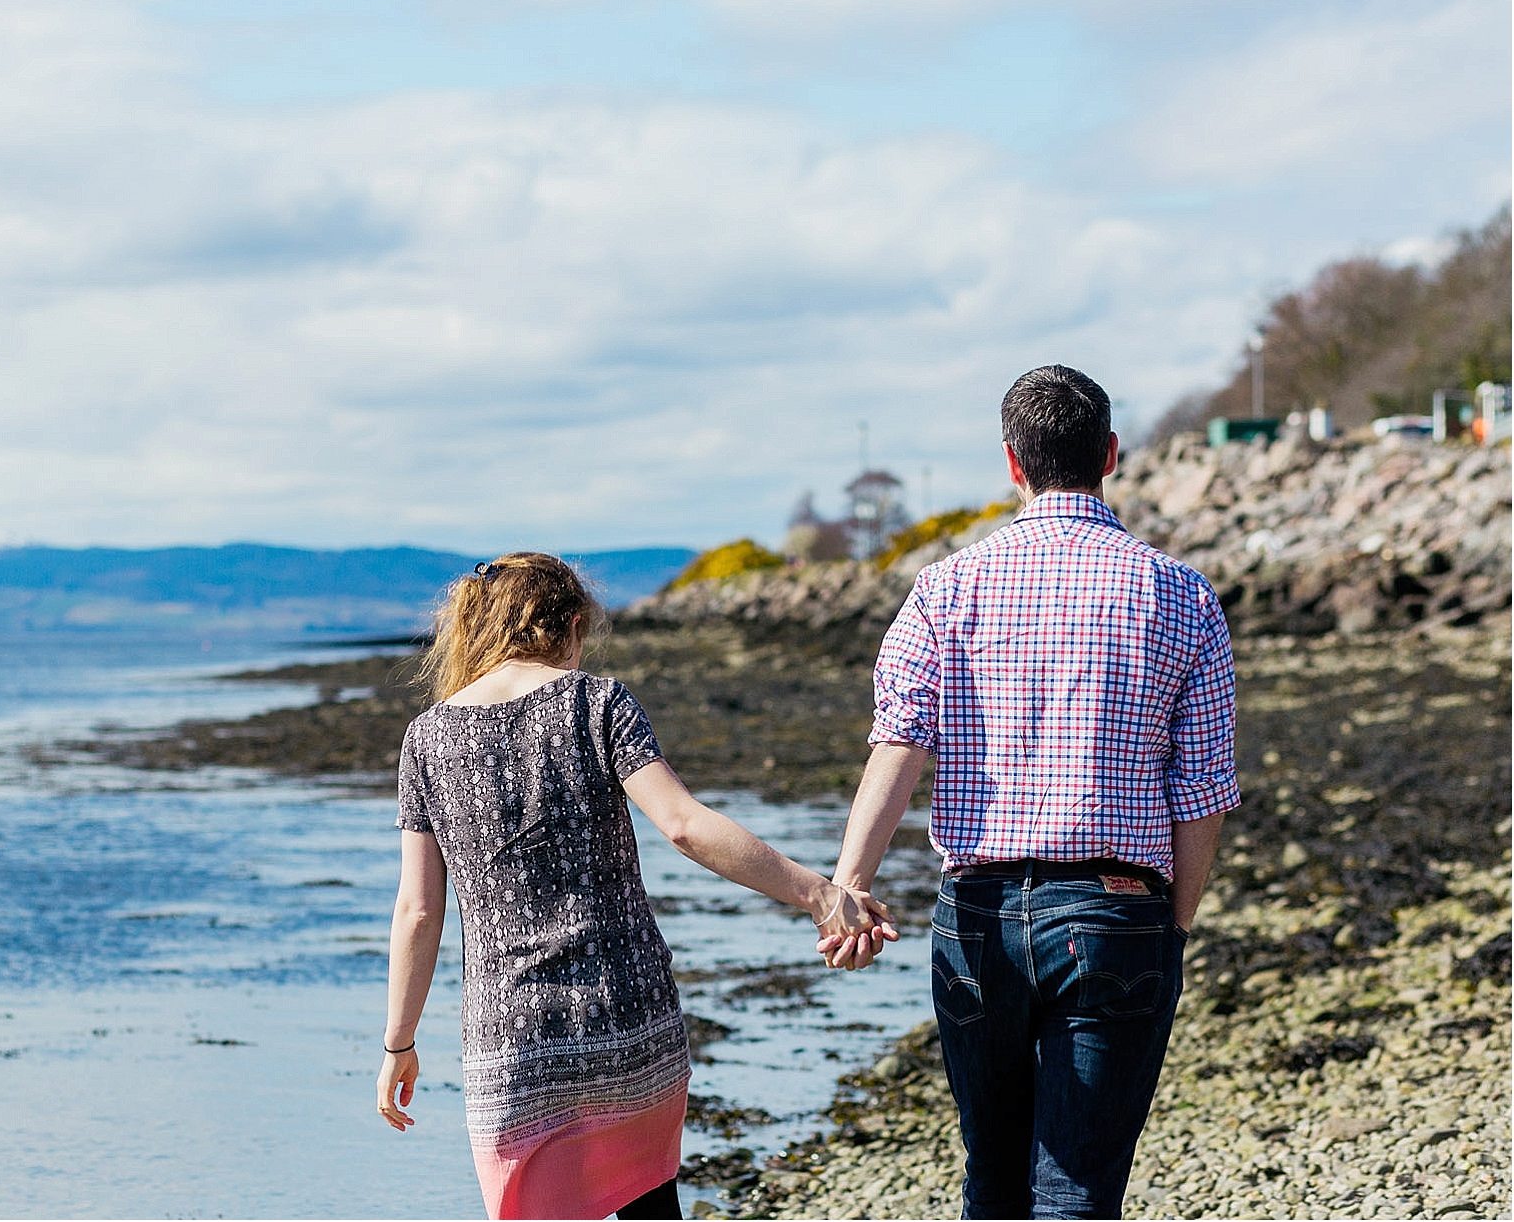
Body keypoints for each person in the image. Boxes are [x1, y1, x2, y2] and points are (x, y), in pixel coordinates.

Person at [819, 365, 1241, 1219]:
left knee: (995, 1180)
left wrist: (849, 886)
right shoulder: (1182, 593)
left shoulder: (946, 587)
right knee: (1078, 1191)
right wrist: (1175, 926)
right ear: (1112, 455)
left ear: (1012, 463)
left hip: (975, 914)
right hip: (1118, 906)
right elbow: (1201, 790)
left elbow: (898, 743)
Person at [375, 552, 878, 1220]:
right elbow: (685, 825)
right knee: (651, 1209)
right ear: (573, 626)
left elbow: (417, 910)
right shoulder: (598, 702)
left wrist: (399, 1043)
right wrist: (820, 895)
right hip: (628, 1017)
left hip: (515, 1038)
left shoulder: (426, 739)